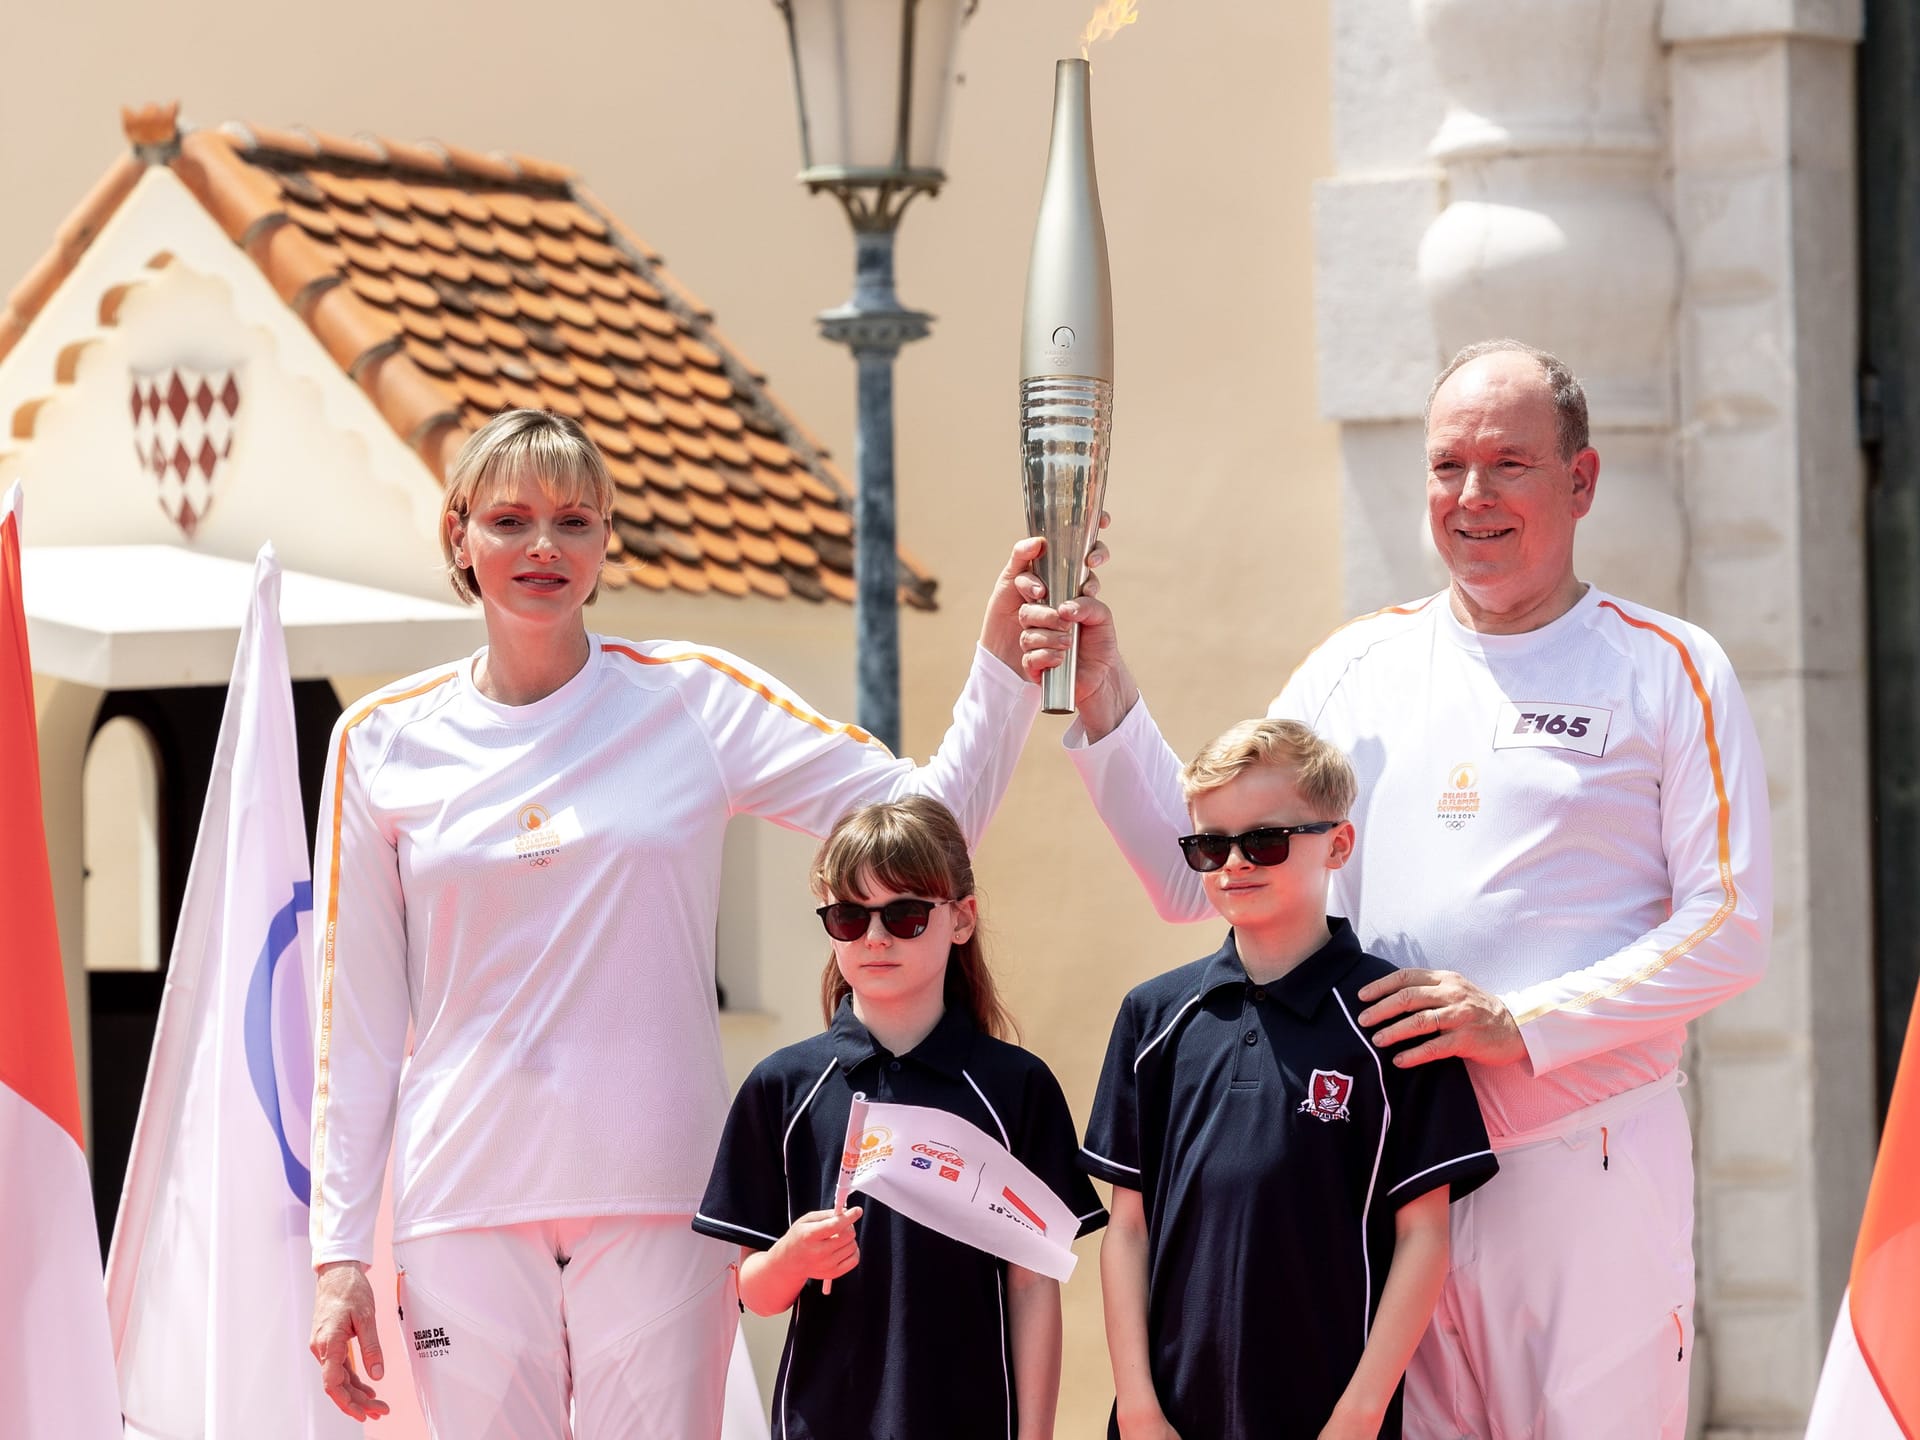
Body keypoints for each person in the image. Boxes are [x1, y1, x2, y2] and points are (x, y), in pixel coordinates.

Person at [1024, 341, 1773, 1438]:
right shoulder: (1357, 668)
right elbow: (1213, 869)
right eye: (1446, 466)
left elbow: (1729, 926)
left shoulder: (1667, 668)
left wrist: (1518, 1023)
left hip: (1577, 1167)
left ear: (1582, 480)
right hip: (1379, 1183)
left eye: (1509, 464)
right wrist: (1106, 699)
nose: (1473, 497)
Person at [307, 409, 1055, 1440]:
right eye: (510, 519)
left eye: (575, 521)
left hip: (660, 1195)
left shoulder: (692, 702)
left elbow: (928, 825)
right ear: (458, 534)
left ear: (606, 540)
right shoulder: (380, 742)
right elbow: (353, 1021)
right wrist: (339, 1254)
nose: (543, 547)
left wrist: (1004, 670)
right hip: (463, 1204)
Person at [1084, 719, 1495, 1440]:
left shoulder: (1394, 1017)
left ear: (1337, 844)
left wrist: (1361, 1415)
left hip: (1328, 1416)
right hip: (1166, 1418)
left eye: (1264, 841)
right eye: (1210, 845)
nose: (1234, 864)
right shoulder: (1153, 1019)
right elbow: (1127, 1232)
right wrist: (1138, 1406)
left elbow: (1425, 1237)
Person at [694, 795, 1106, 1439]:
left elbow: (1032, 1288)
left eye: (906, 915)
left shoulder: (1016, 1088)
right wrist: (797, 1256)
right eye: (849, 916)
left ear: (961, 919)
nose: (875, 937)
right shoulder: (782, 1085)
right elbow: (755, 1293)